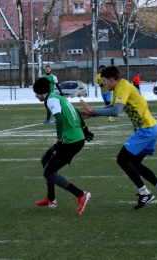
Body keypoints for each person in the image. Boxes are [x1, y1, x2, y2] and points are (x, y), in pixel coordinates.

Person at [80, 66, 157, 210]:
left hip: (146, 129)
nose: (103, 84)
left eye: (104, 81)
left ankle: (145, 193)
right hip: (151, 128)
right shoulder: (118, 88)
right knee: (135, 163)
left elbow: (116, 111)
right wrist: (92, 114)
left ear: (112, 80)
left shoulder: (123, 86)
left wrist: (93, 112)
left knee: (122, 159)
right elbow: (110, 108)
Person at [33, 77, 93, 215]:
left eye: (36, 93)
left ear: (41, 92)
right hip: (72, 139)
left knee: (48, 172)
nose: (36, 96)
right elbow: (75, 111)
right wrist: (84, 127)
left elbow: (59, 119)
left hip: (71, 141)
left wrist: (59, 140)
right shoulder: (58, 97)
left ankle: (80, 195)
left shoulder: (51, 100)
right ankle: (51, 199)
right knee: (45, 159)